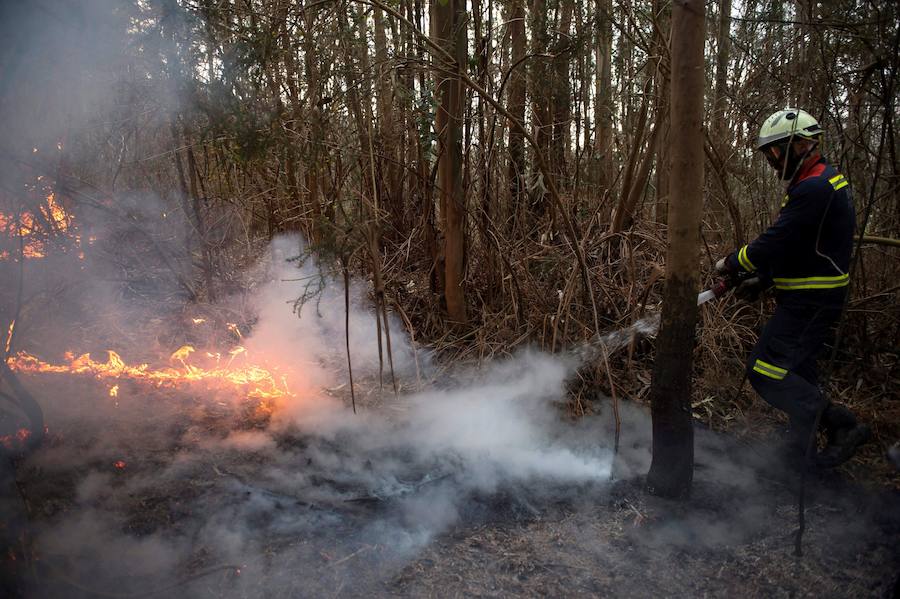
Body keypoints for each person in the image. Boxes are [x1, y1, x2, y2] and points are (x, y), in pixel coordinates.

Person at [715, 108, 870, 469]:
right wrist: (765, 278)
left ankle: (840, 423)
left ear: (801, 145)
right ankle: (800, 455)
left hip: (811, 300)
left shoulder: (815, 188)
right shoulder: (816, 183)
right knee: (799, 373)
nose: (772, 160)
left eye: (776, 151)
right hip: (808, 294)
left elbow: (778, 240)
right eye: (769, 153)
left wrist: (733, 263)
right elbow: (802, 245)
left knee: (765, 370)